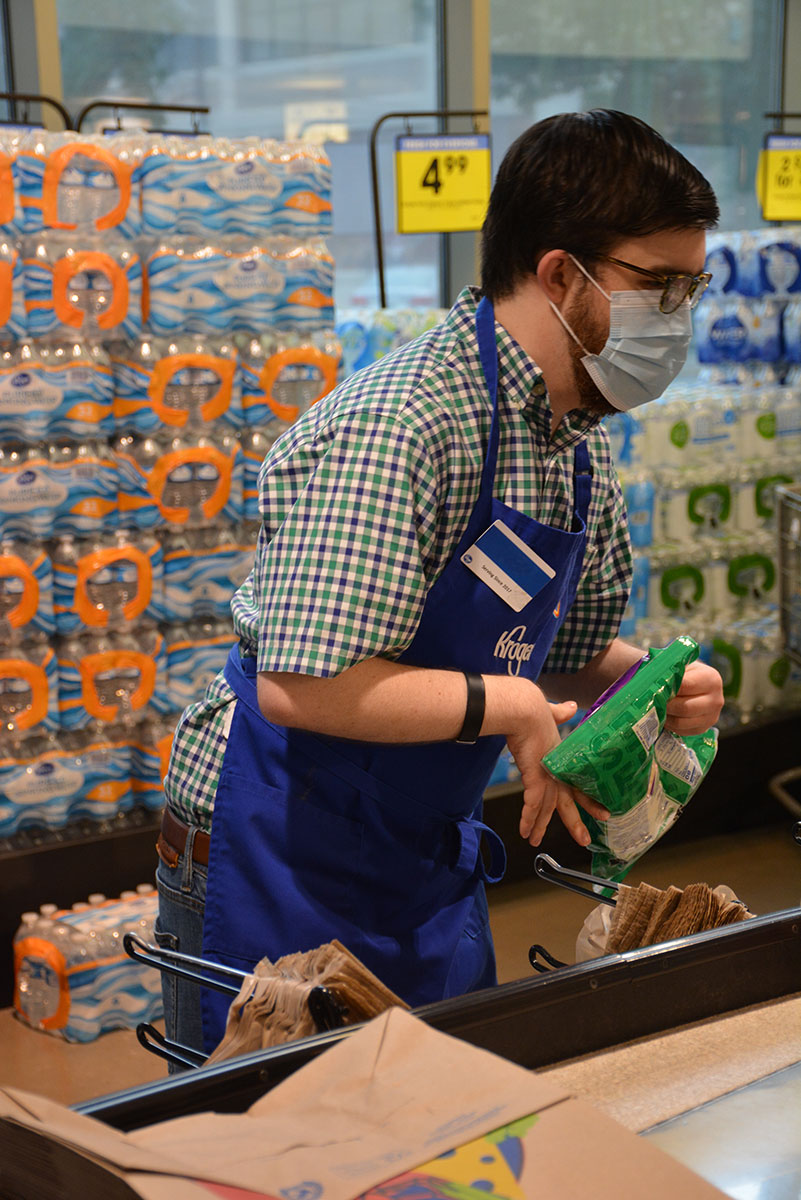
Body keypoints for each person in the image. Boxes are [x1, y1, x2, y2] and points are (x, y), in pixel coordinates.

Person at [155, 108, 725, 1057]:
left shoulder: (572, 444)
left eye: (690, 288)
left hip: (417, 845)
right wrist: (508, 705)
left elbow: (571, 651)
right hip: (279, 835)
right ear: (558, 274)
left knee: (436, 1127)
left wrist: (652, 679)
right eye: (656, 286)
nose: (676, 317)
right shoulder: (408, 423)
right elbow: (301, 682)